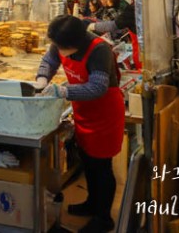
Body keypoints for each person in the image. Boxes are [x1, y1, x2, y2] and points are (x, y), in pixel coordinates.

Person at [34, 15, 125, 233]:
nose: (57, 49)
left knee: (102, 167)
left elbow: (97, 87)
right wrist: (42, 78)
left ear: (75, 42)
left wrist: (64, 91)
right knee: (87, 161)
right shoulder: (63, 43)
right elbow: (49, 61)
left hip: (104, 114)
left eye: (60, 46)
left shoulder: (99, 50)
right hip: (83, 111)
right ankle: (92, 203)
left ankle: (103, 218)